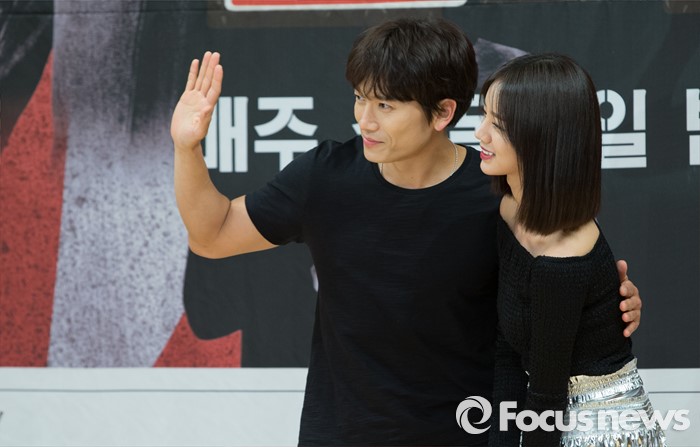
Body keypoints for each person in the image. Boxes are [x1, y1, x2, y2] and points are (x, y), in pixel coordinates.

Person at [170, 18, 642, 446]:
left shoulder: (497, 195)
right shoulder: (324, 175)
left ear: (442, 113)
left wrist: (608, 305)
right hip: (341, 434)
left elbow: (562, 286)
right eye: (360, 97)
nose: (364, 119)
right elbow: (212, 236)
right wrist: (187, 148)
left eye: (385, 105)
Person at [475, 53, 664, 446]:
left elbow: (547, 398)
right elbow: (509, 349)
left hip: (602, 429)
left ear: (542, 138)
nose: (480, 133)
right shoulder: (509, 211)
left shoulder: (562, 260)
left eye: (499, 125)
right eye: (484, 116)